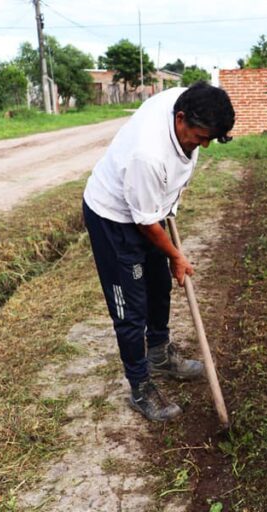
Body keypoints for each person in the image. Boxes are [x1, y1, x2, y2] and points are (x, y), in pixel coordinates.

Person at [82, 82, 235, 420]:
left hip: (148, 209)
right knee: (130, 310)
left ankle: (161, 355)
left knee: (159, 285)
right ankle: (139, 386)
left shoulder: (187, 100)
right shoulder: (148, 155)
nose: (204, 145)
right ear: (180, 118)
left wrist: (168, 250)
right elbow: (146, 224)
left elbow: (155, 214)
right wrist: (176, 255)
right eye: (200, 136)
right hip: (115, 219)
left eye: (211, 138)